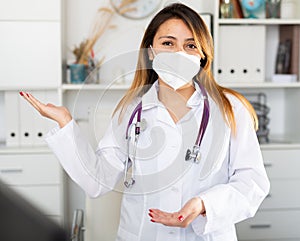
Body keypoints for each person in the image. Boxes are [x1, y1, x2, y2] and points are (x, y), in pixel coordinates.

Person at [20, 3, 270, 241]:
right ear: (151, 52)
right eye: (168, 43)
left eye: (190, 45)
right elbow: (97, 181)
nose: (179, 53)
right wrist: (65, 123)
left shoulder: (230, 109)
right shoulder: (131, 111)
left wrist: (204, 205)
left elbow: (252, 184)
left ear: (203, 55)